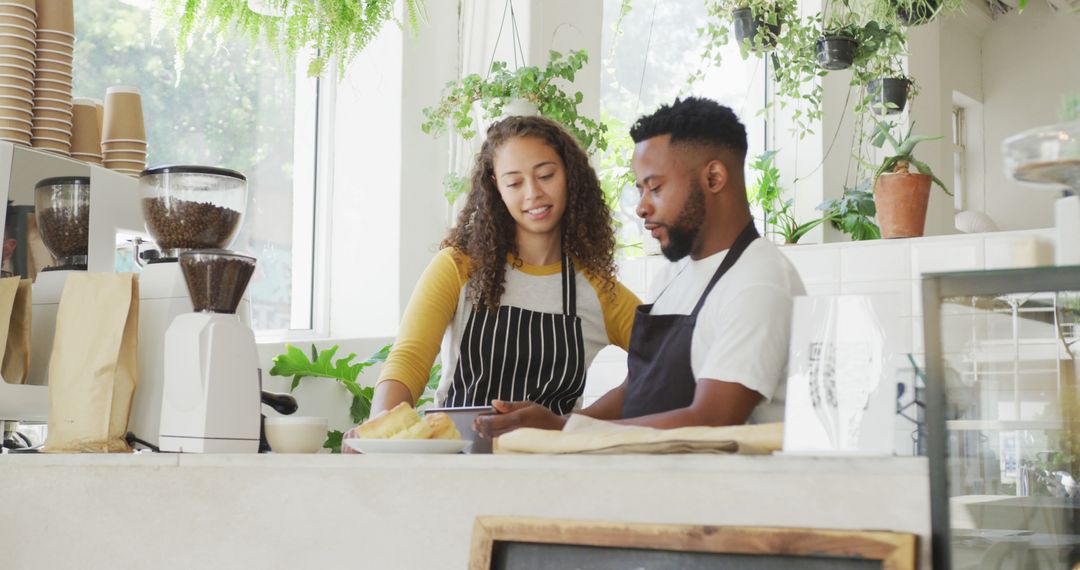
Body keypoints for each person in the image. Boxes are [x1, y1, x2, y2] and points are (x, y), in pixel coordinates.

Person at [475, 97, 806, 438]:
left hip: (724, 488)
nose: (642, 207)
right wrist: (561, 425)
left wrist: (569, 431)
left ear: (714, 177)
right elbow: (637, 387)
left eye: (656, 187)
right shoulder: (674, 275)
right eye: (640, 189)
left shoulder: (758, 281)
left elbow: (713, 419)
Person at [342, 115, 641, 445]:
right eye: (514, 183)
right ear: (495, 189)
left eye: (546, 175)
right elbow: (410, 358)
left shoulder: (596, 288)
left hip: (554, 470)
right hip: (459, 466)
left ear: (571, 176)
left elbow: (665, 362)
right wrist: (378, 431)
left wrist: (573, 423)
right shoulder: (459, 266)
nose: (533, 193)